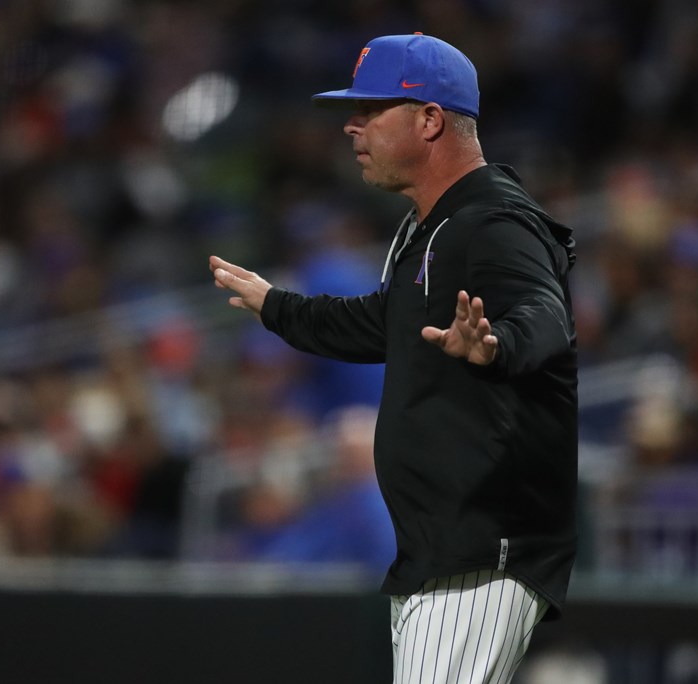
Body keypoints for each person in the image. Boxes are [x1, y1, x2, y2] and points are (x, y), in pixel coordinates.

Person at [209, 33, 578, 684]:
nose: (353, 125)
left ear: (430, 119)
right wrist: (276, 306)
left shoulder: (493, 219)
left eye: (374, 108)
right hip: (439, 551)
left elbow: (545, 314)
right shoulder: (431, 226)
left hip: (483, 549)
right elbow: (377, 325)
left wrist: (497, 345)